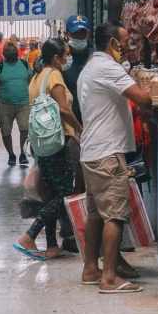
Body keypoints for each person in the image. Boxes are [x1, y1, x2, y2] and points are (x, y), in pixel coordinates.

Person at [78, 21, 152, 293]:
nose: (127, 48)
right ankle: (109, 278)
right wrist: (153, 97)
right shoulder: (108, 67)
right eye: (123, 43)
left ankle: (90, 269)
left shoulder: (91, 67)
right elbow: (142, 99)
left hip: (93, 152)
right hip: (107, 154)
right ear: (112, 44)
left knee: (97, 215)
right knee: (115, 216)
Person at [13, 38, 84, 260]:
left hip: (41, 143)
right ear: (56, 58)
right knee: (62, 193)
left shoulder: (36, 78)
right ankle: (29, 235)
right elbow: (64, 109)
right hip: (56, 141)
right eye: (66, 55)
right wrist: (82, 130)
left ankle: (52, 246)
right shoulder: (53, 75)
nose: (68, 59)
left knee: (52, 192)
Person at [63, 14, 95, 194]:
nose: (80, 38)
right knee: (72, 169)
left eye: (83, 34)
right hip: (69, 124)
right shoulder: (62, 56)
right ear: (67, 33)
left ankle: (82, 208)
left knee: (86, 169)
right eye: (76, 34)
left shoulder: (93, 56)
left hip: (90, 121)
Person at [0, 41, 32, 165]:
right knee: (5, 131)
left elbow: (32, 81)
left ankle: (23, 154)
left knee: (25, 129)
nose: (11, 54)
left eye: (13, 52)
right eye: (8, 52)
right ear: (4, 54)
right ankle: (11, 154)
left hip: (24, 103)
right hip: (4, 103)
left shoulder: (25, 64)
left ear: (17, 53)